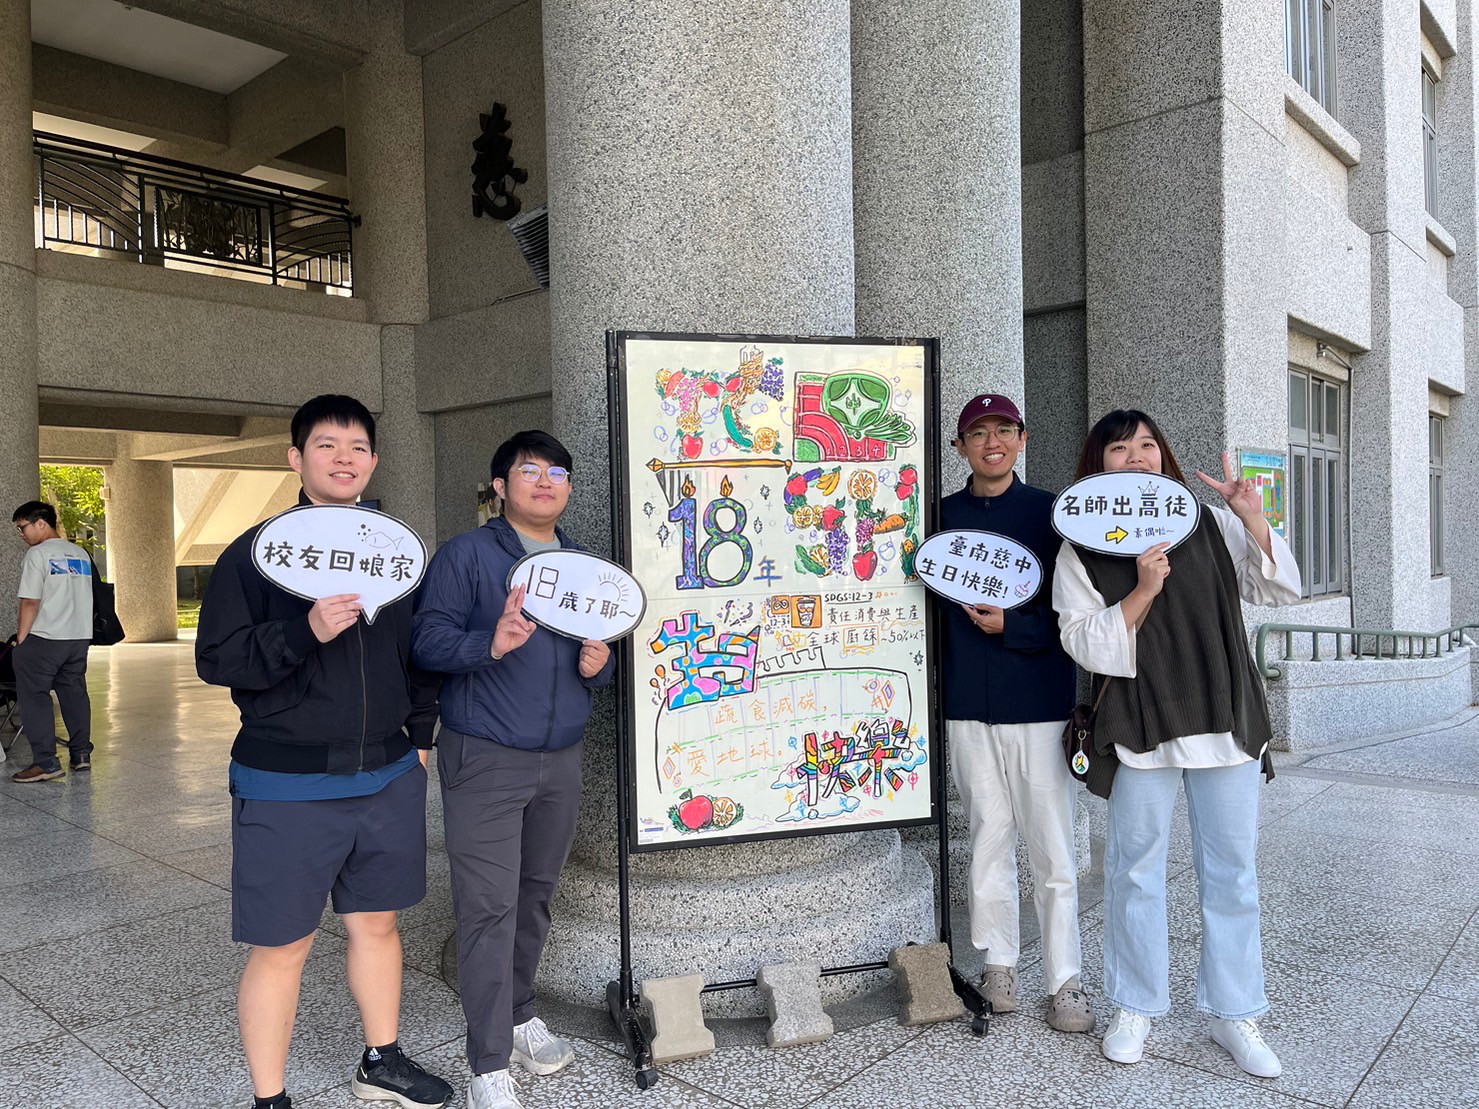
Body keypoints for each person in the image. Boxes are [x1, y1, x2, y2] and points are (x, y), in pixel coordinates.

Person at [196, 395, 452, 1109]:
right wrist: (303, 630)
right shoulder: (254, 555)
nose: (345, 458)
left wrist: (419, 738)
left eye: (358, 446)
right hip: (287, 780)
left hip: (387, 772)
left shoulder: (396, 553)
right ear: (296, 458)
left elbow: (418, 655)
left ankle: (381, 1060)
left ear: (373, 460)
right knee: (284, 944)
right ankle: (270, 1098)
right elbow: (217, 658)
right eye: (326, 445)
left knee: (378, 923)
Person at [1052, 410, 1300, 1077]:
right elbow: (1081, 640)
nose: (1136, 457)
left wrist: (1252, 518)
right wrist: (1142, 589)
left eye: (1146, 445)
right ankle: (1135, 1005)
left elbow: (1278, 589)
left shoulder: (1209, 522)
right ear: (1097, 465)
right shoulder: (1081, 546)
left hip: (1224, 716)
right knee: (1134, 868)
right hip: (1141, 722)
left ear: (1163, 455)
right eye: (1119, 448)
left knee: (1233, 871)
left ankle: (1233, 1011)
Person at [412, 430, 615, 1109]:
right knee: (487, 907)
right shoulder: (467, 555)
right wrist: (489, 642)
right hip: (486, 756)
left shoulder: (582, 566)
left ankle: (520, 1011)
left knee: (534, 894)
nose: (545, 481)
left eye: (558, 472)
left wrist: (599, 667)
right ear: (500, 487)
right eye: (530, 470)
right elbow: (426, 640)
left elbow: (594, 661)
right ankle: (488, 1062)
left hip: (561, 758)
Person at [939, 395, 1092, 1032]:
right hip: (967, 707)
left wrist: (1015, 626)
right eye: (978, 433)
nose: (992, 442)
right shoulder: (939, 518)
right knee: (988, 837)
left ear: (1022, 439)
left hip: (1039, 706)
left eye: (1004, 430)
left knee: (1052, 845)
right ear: (960, 447)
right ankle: (998, 964)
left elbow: (1078, 615)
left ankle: (1065, 981)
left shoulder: (1053, 516)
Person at [9, 501, 93, 783]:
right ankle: (81, 754)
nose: (21, 534)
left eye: (22, 527)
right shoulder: (80, 553)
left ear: (41, 523)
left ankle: (45, 762)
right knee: (74, 694)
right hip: (77, 637)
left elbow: (30, 601)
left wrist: (21, 640)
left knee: (34, 697)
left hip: (45, 638)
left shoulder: (38, 554)